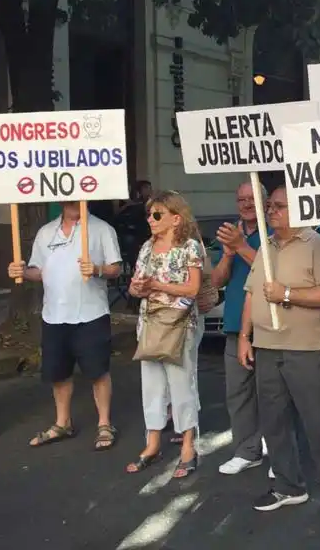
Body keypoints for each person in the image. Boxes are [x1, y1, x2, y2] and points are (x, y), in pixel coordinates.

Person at [240, 185, 320, 530]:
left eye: (278, 206)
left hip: (309, 348)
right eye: (269, 206)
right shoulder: (267, 245)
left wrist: (287, 294)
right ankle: (288, 486)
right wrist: (245, 336)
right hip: (267, 345)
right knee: (273, 422)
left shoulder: (318, 246)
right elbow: (252, 293)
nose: (270, 211)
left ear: (299, 210)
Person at [9, 201, 122, 451]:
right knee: (58, 373)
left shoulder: (102, 229)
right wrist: (22, 272)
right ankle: (63, 423)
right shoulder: (46, 232)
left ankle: (104, 423)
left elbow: (116, 268)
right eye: (68, 199)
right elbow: (39, 271)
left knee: (98, 371)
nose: (72, 202)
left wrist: (98, 269)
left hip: (91, 313)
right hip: (54, 314)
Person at [125, 191, 204, 478]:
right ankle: (153, 443)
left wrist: (157, 285)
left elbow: (193, 289)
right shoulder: (147, 247)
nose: (151, 219)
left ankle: (188, 446)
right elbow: (135, 287)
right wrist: (138, 288)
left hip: (179, 325)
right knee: (152, 385)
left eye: (157, 214)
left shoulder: (190, 247)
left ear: (176, 218)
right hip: (150, 323)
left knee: (182, 385)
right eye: (149, 214)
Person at [214, 181, 269, 475]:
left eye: (252, 198)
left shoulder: (274, 231)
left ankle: (282, 455)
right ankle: (247, 451)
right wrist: (228, 254)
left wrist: (241, 246)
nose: (247, 204)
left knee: (275, 395)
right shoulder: (232, 232)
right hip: (236, 325)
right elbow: (216, 281)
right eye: (241, 199)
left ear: (265, 202)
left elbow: (270, 272)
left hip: (270, 326)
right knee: (239, 393)